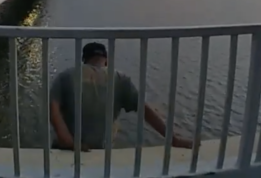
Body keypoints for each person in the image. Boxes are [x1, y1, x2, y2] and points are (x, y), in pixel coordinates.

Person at [50, 42, 194, 151]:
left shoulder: (66, 76)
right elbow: (146, 111)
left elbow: (53, 108)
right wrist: (173, 139)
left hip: (67, 150)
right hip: (101, 151)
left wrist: (68, 140)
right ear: (106, 60)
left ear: (84, 59)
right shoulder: (120, 79)